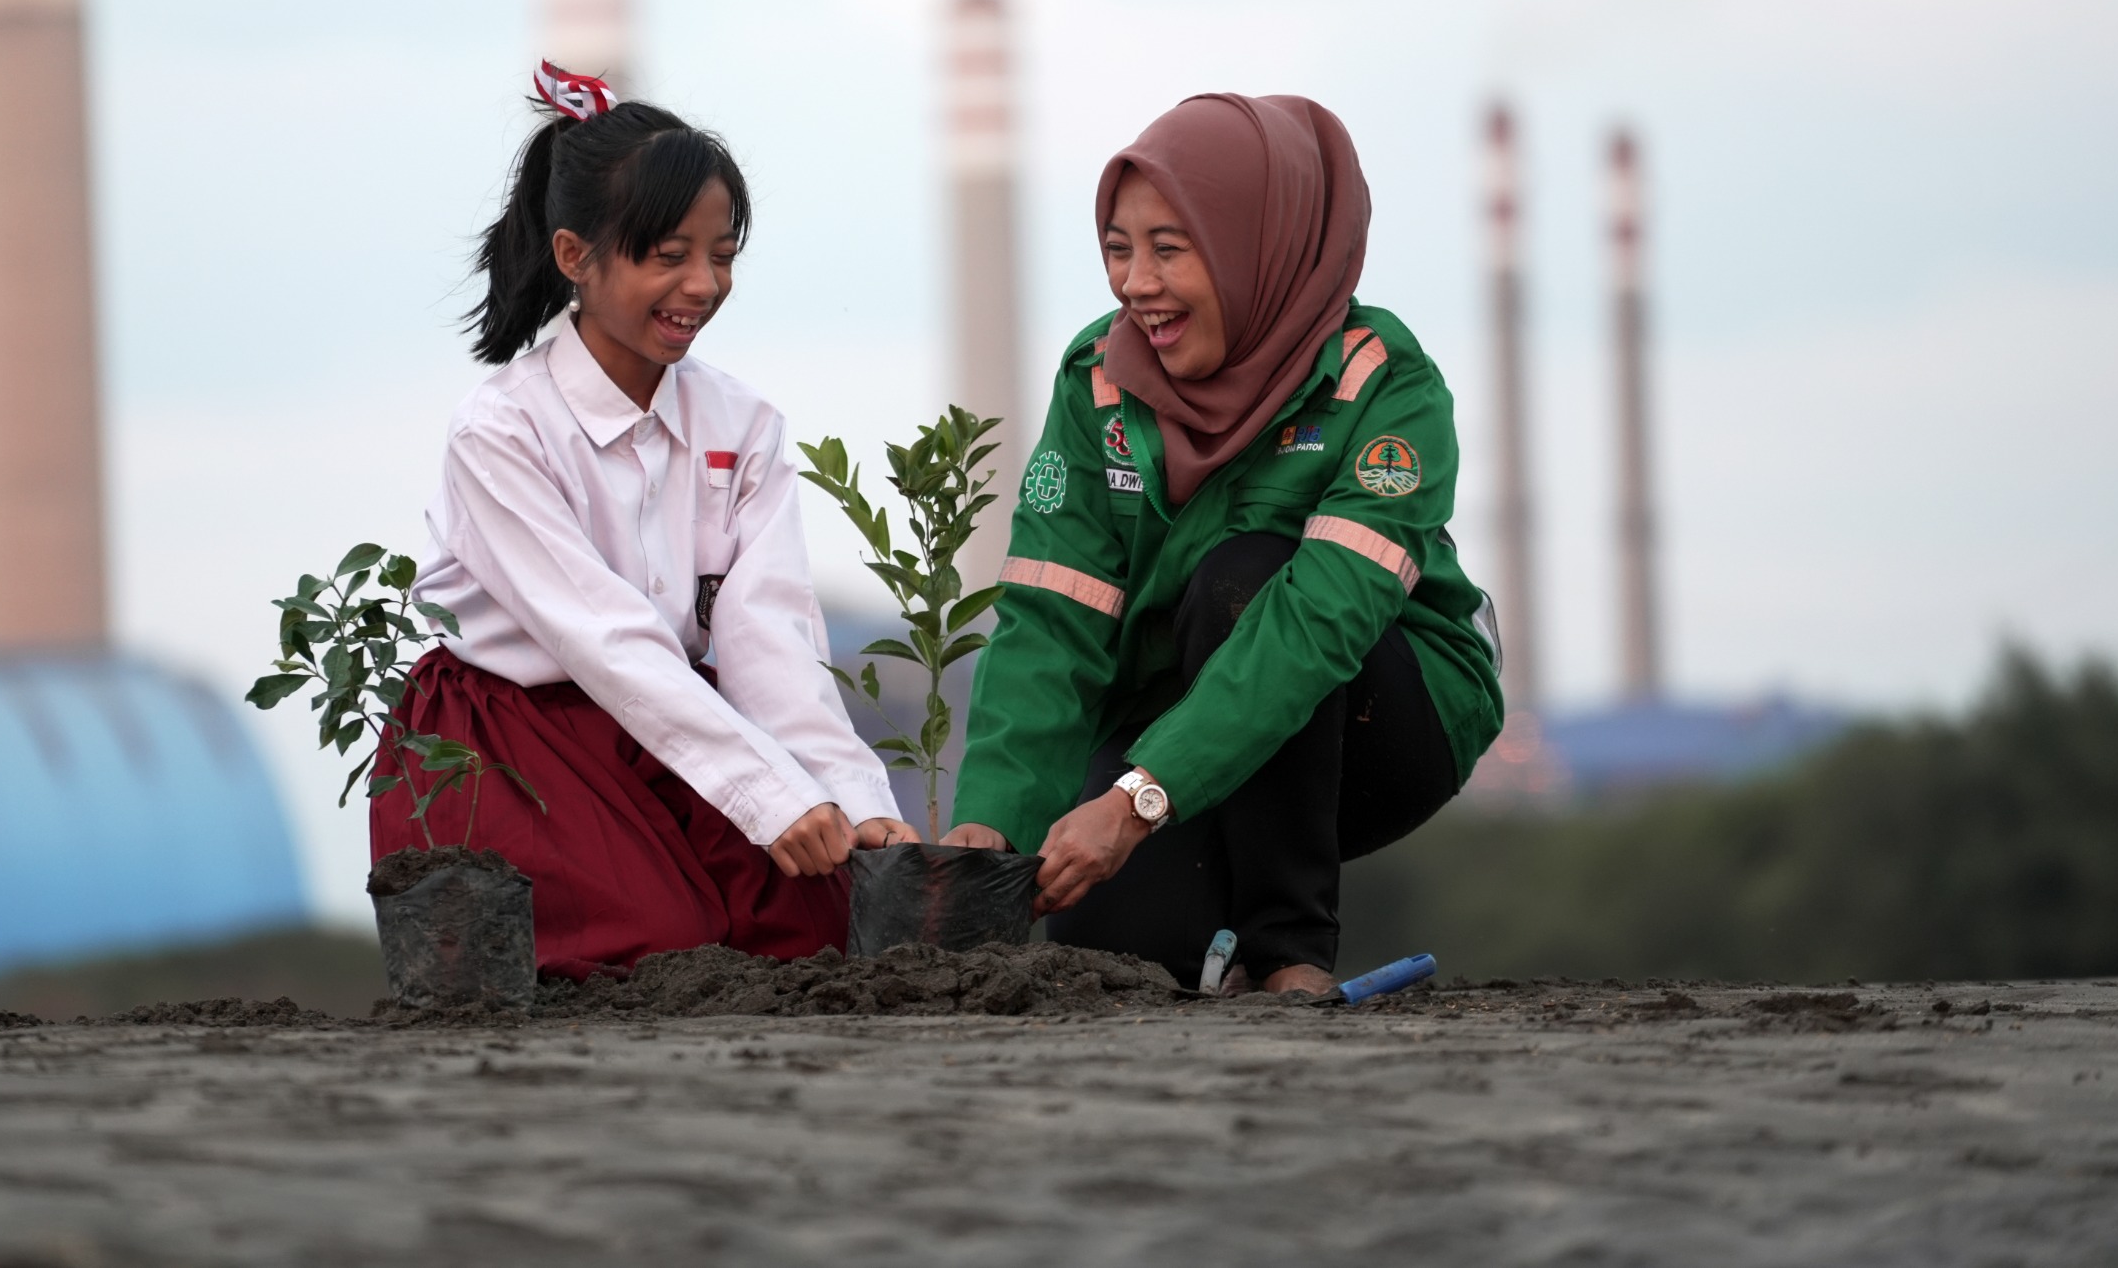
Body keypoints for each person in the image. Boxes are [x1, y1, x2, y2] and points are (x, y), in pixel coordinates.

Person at [941, 92, 1504, 994]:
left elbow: (1318, 623)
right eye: (1119, 251)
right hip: (1174, 724)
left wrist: (1137, 800)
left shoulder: (1381, 383)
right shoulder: (1099, 385)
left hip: (1383, 718)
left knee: (1242, 581)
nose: (1136, 284)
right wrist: (992, 824)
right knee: (1108, 948)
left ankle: (1291, 957)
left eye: (1170, 248)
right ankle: (1223, 947)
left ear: (1257, 243)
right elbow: (1053, 619)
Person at [371, 62, 919, 978]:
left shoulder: (743, 426)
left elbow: (769, 638)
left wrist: (849, 794)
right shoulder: (502, 432)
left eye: (723, 254)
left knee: (813, 913)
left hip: (674, 717)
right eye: (668, 255)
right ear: (575, 256)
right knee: (660, 943)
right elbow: (606, 640)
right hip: (514, 736)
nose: (703, 284)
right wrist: (766, 794)